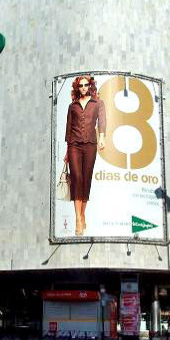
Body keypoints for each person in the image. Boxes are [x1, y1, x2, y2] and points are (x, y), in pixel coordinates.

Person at [64, 75, 106, 236]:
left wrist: (102, 137)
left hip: (90, 145)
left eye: (85, 85)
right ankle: (78, 219)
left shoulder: (98, 103)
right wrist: (67, 152)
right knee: (77, 179)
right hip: (74, 145)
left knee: (86, 180)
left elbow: (102, 122)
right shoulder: (72, 106)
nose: (83, 87)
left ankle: (82, 215)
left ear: (90, 86)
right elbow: (68, 129)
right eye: (80, 85)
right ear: (77, 87)